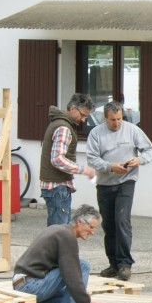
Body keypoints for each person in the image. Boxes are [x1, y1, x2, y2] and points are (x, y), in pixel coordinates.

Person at [12, 204, 108, 303]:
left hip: (24, 284)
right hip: (29, 285)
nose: (92, 232)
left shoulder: (60, 230)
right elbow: (72, 276)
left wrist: (83, 302)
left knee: (70, 299)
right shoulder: (67, 237)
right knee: (82, 265)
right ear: (79, 222)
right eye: (91, 227)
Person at [86, 101, 152, 281]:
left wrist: (139, 160)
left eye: (119, 119)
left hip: (127, 181)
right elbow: (92, 159)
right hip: (104, 183)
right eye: (112, 120)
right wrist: (110, 167)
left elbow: (149, 150)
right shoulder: (96, 133)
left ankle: (125, 264)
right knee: (108, 224)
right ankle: (113, 264)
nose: (116, 123)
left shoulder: (132, 130)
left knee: (122, 221)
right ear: (105, 118)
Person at [39, 93, 96, 226]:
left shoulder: (58, 123)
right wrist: (84, 169)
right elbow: (57, 159)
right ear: (72, 108)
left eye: (86, 116)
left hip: (55, 187)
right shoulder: (64, 128)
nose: (83, 120)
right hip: (57, 187)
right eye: (82, 115)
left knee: (57, 232)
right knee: (59, 233)